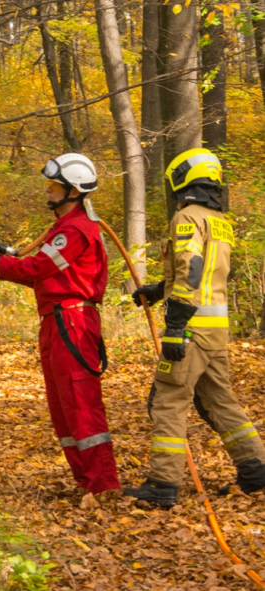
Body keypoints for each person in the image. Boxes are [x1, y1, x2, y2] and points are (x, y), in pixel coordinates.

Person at [0, 153, 120, 495]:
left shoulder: (77, 229)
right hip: (56, 320)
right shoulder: (62, 228)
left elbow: (36, 270)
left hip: (73, 322)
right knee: (62, 406)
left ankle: (104, 486)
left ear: (74, 191)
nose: (48, 192)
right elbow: (41, 274)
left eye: (54, 186)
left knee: (80, 402)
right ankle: (87, 482)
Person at [124, 148, 265, 508]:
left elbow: (191, 266)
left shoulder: (186, 217)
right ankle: (256, 470)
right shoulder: (219, 221)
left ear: (182, 178)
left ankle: (162, 485)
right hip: (216, 330)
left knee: (168, 401)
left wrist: (175, 326)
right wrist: (158, 291)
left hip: (191, 330)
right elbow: (208, 271)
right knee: (220, 399)